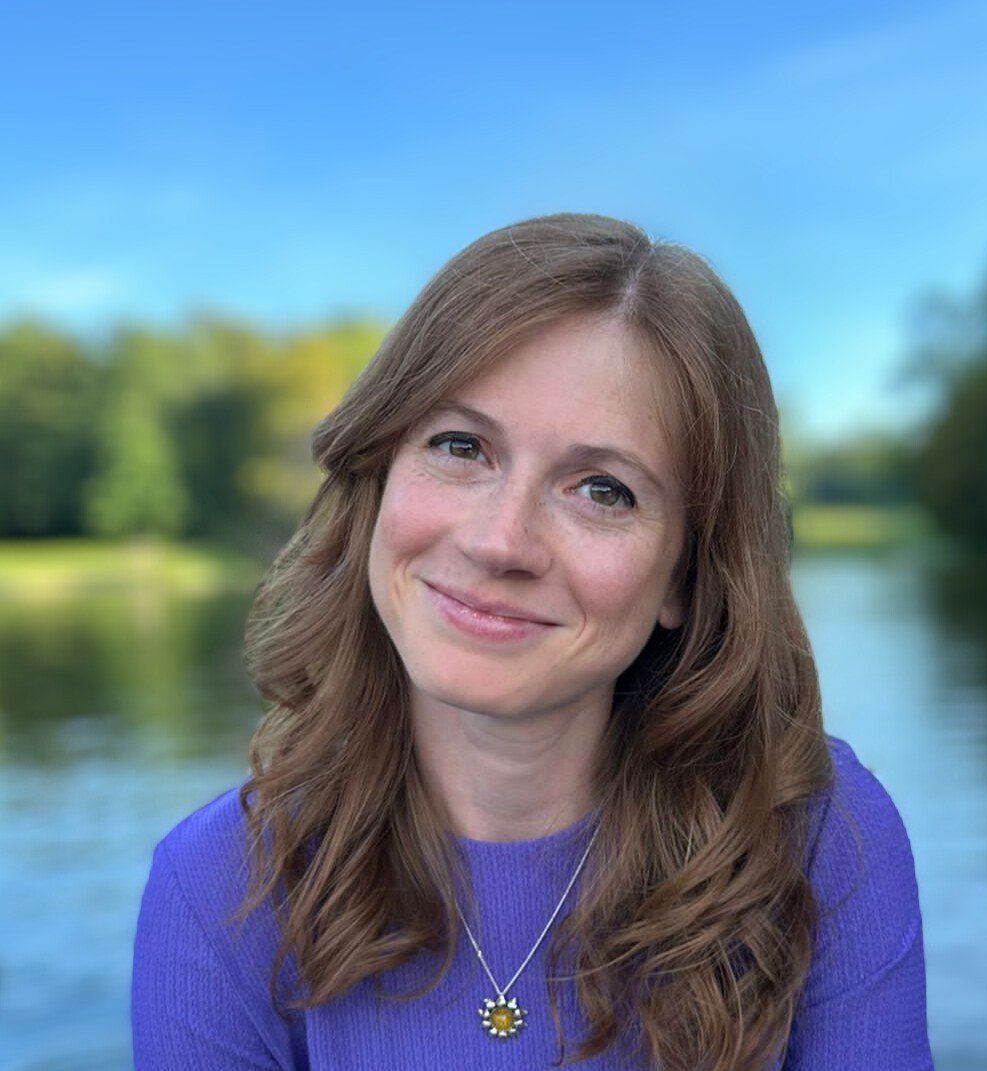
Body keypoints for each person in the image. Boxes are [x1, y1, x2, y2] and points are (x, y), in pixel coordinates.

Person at [132, 213, 933, 1070]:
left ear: (685, 575)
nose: (499, 541)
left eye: (602, 489)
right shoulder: (216, 889)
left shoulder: (819, 838)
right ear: (379, 472)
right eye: (460, 446)